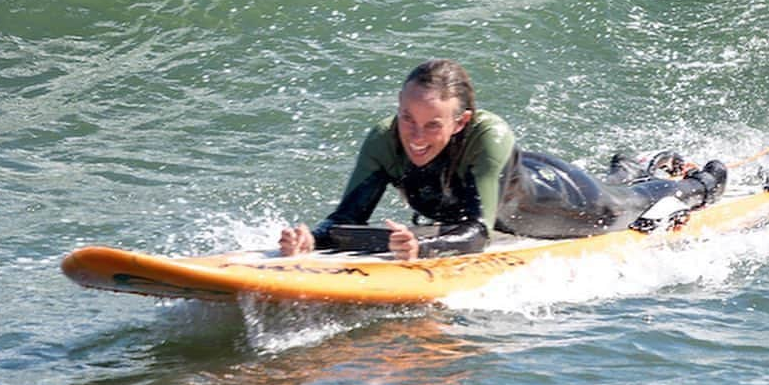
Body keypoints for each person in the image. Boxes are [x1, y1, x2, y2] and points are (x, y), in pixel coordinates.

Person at [279, 58, 727, 261]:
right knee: (617, 187)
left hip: (559, 202)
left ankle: (703, 183)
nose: (415, 136)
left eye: (432, 125)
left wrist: (424, 248)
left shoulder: (488, 134)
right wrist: (313, 241)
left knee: (621, 205)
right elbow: (347, 218)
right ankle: (628, 164)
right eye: (406, 118)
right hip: (509, 179)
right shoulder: (384, 139)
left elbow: (477, 232)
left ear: (461, 122)